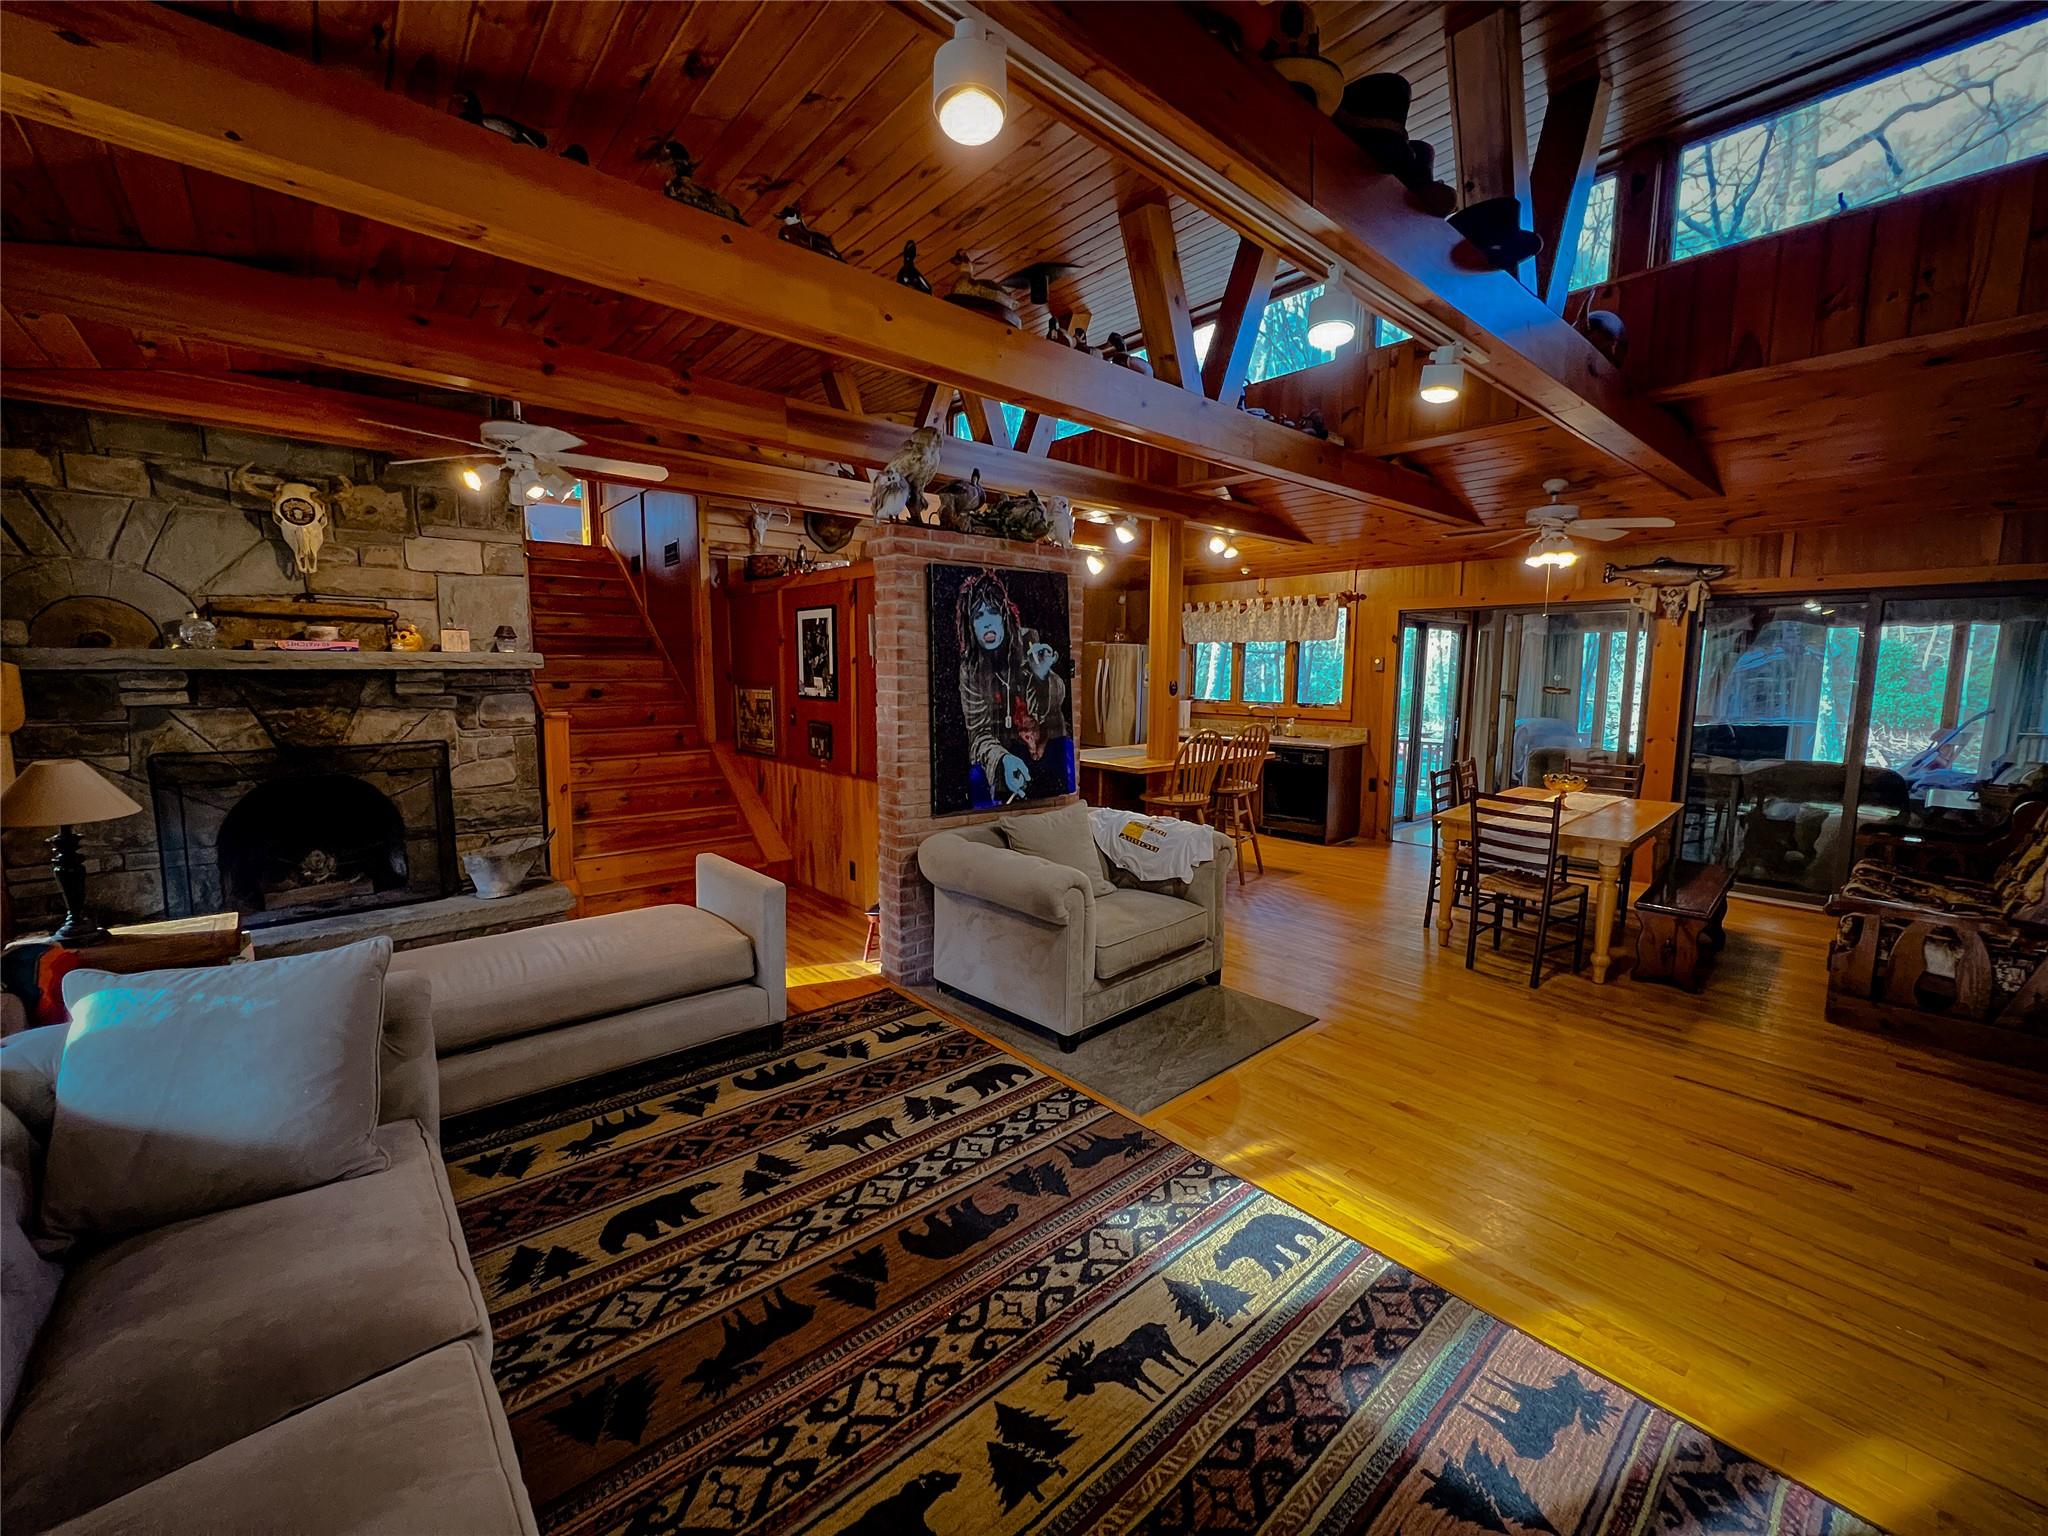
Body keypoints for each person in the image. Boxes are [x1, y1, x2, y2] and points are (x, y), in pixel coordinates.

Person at [954, 570, 1072, 807]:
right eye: (978, 616)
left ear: (1005, 616)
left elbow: (1055, 700)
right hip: (1005, 754)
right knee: (978, 779)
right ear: (971, 625)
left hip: (1048, 749)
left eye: (993, 612)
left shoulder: (1028, 643)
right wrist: (1003, 760)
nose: (986, 622)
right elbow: (978, 734)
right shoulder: (972, 669)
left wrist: (1041, 676)